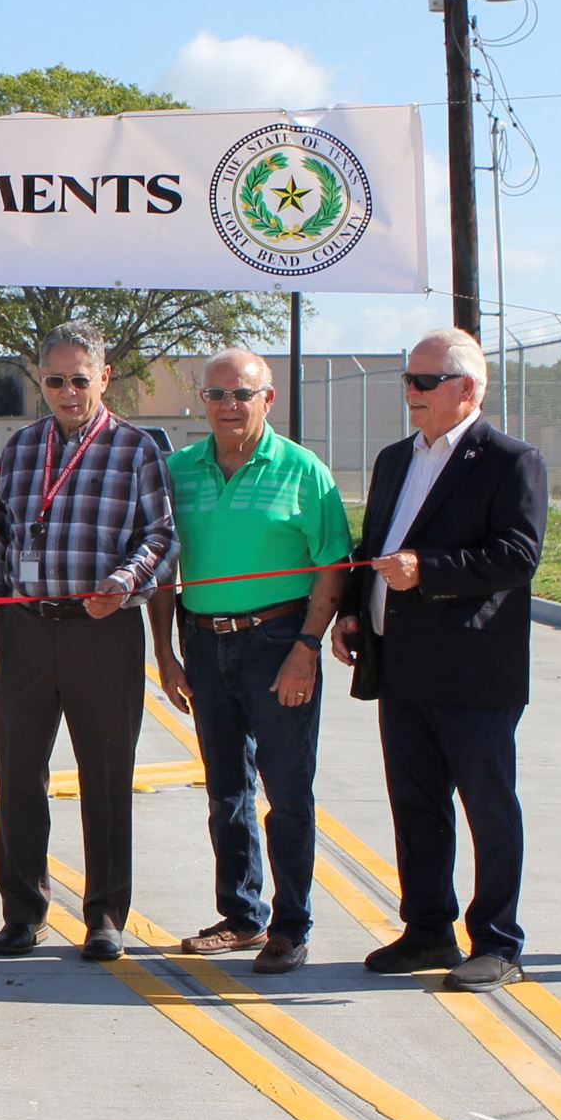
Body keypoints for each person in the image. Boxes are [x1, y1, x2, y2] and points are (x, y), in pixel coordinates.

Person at [333, 327, 547, 992]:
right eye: (407, 380)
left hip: (473, 669)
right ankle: (427, 926)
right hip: (400, 664)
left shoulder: (510, 460)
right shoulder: (397, 458)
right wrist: (350, 606)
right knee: (416, 802)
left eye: (425, 382)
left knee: (487, 805)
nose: (412, 393)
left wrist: (428, 569)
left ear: (468, 388)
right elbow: (374, 541)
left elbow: (516, 555)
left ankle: (498, 940)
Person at [150, 349, 351, 977]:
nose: (228, 406)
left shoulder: (303, 470)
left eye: (241, 394)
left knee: (287, 790)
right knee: (225, 788)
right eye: (215, 395)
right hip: (203, 642)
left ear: (268, 398)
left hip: (279, 640)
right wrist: (165, 652)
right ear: (200, 402)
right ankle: (241, 915)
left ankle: (291, 926)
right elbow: (162, 567)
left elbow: (332, 567)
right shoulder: (177, 471)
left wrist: (306, 650)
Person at [0, 324, 176, 963]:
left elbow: (161, 538)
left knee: (106, 776)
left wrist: (122, 585)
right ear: (41, 382)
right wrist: (2, 623)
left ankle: (104, 916)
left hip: (102, 629)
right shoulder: (19, 448)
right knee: (17, 776)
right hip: (27, 630)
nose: (68, 393)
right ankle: (22, 911)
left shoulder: (135, 449)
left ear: (105, 378)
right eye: (55, 381)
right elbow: (6, 539)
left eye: (79, 380)